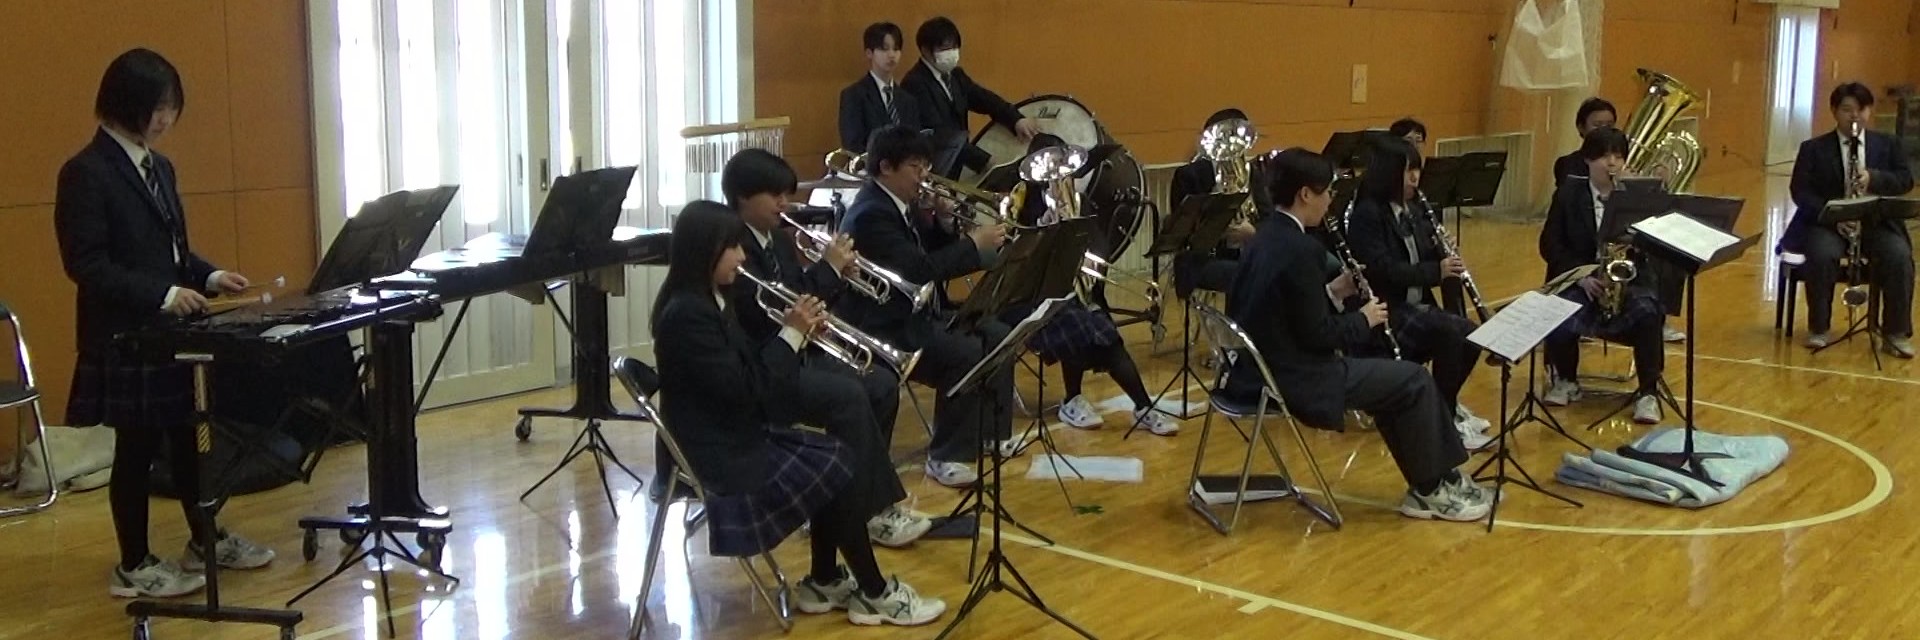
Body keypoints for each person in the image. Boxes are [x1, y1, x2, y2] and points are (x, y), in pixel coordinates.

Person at [651, 202, 945, 626]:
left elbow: (747, 375)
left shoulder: (707, 300)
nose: (742, 256)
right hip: (719, 454)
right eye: (732, 247)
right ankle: (872, 590)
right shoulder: (687, 315)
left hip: (733, 430)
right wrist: (791, 334)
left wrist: (799, 335)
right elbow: (747, 390)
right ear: (704, 251)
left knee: (837, 457)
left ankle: (826, 579)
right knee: (838, 465)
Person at [54, 48, 273, 598]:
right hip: (126, 337)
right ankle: (133, 564)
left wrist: (209, 274)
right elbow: (86, 264)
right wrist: (164, 293)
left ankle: (204, 538)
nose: (166, 118)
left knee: (190, 440)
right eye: (157, 107)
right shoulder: (85, 172)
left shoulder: (160, 167)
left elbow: (172, 252)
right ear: (124, 103)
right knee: (135, 450)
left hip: (171, 336)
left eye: (172, 107)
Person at [1224, 147, 1493, 523]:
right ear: (1306, 194)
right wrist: (1364, 320)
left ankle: (1435, 480)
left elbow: (1279, 310)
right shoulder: (1302, 249)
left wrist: (1334, 292)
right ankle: (1434, 487)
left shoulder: (1264, 237)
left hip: (1258, 369)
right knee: (1414, 379)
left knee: (1393, 388)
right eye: (1327, 192)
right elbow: (1320, 336)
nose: (1330, 201)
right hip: (1298, 378)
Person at [720, 149, 929, 546]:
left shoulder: (777, 240)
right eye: (774, 195)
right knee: (848, 395)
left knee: (881, 383)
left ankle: (851, 502)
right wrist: (828, 269)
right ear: (744, 197)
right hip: (768, 364)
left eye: (787, 194)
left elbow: (806, 298)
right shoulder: (733, 249)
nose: (784, 203)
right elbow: (773, 311)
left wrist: (839, 275)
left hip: (799, 350)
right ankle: (865, 510)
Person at [836, 125, 1019, 488]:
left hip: (916, 313)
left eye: (926, 166)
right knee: (964, 353)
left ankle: (990, 434)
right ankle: (946, 456)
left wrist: (945, 220)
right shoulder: (872, 213)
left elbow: (928, 253)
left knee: (999, 333)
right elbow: (920, 270)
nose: (924, 176)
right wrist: (972, 243)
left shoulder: (898, 204)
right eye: (915, 167)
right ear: (886, 167)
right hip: (884, 326)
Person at [1002, 135, 1179, 436]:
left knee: (1099, 330)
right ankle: (1097, 402)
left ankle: (1132, 406)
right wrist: (1045, 228)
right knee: (1088, 328)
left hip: (1077, 293)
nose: (1058, 176)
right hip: (1032, 300)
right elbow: (1015, 259)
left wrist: (1092, 264)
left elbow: (1099, 244)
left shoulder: (1079, 202)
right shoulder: (1021, 204)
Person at [1344, 137, 1492, 450]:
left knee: (1469, 336)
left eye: (1417, 170)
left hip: (1416, 306)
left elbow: (1423, 257)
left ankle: (1440, 412)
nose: (1415, 178)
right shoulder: (1367, 215)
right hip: (1387, 310)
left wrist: (1442, 252)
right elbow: (1382, 270)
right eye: (1407, 171)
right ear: (1388, 173)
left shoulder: (1413, 210)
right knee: (1451, 335)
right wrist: (1436, 270)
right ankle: (1443, 420)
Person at [1536, 127, 1668, 423]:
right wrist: (1580, 276)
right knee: (1560, 309)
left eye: (1618, 156)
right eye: (1604, 156)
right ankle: (1566, 379)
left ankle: (1648, 393)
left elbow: (1658, 245)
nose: (1611, 163)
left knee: (1648, 312)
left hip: (1629, 280)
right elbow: (1550, 244)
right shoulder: (1568, 194)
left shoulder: (1636, 197)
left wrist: (1641, 237)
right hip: (1583, 278)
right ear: (1587, 159)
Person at [1780, 82, 1915, 357]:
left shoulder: (1888, 144)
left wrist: (1874, 178)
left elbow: (1905, 180)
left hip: (1875, 223)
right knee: (1821, 254)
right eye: (1847, 109)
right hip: (1828, 224)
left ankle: (1896, 333)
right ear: (1833, 111)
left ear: (1869, 111)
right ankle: (1819, 328)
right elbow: (1800, 191)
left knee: (1898, 255)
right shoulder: (1813, 148)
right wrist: (1833, 217)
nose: (1855, 116)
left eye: (1861, 109)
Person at [901, 16, 1039, 178]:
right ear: (925, 50)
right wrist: (984, 161)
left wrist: (1016, 119)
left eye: (954, 47)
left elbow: (985, 99)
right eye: (944, 48)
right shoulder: (914, 83)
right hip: (935, 168)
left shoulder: (956, 76)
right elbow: (941, 134)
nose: (951, 53)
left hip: (957, 164)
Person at [1170, 108, 1260, 299]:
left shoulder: (1255, 173)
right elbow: (1181, 232)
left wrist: (1254, 233)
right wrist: (1218, 227)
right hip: (1204, 259)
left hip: (1248, 252)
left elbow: (1269, 217)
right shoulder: (1189, 175)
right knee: (1251, 276)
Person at [837, 22, 922, 153]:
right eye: (884, 49)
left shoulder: (908, 100)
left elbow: (915, 142)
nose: (891, 55)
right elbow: (852, 144)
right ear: (869, 53)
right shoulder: (854, 95)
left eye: (896, 49)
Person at [1551, 98, 1617, 184]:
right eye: (1597, 125)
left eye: (1609, 125)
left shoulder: (1620, 161)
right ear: (1581, 128)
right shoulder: (1568, 163)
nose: (1604, 130)